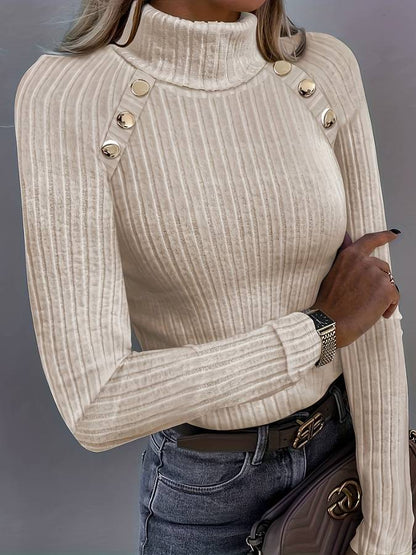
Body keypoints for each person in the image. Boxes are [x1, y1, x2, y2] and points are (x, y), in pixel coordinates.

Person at [13, 0, 413, 554]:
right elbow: (96, 404)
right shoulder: (69, 95)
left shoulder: (321, 69)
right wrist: (318, 332)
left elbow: (372, 312)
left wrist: (390, 531)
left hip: (343, 466)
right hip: (207, 501)